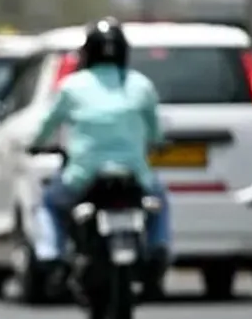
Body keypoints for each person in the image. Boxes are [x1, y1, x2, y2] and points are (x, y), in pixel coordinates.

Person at [31, 18, 170, 280]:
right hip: (135, 174)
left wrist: (35, 145)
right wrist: (158, 145)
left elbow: (47, 125)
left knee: (49, 203)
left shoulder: (72, 86)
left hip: (82, 176)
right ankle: (158, 248)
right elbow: (156, 133)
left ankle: (50, 254)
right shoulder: (141, 85)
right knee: (159, 200)